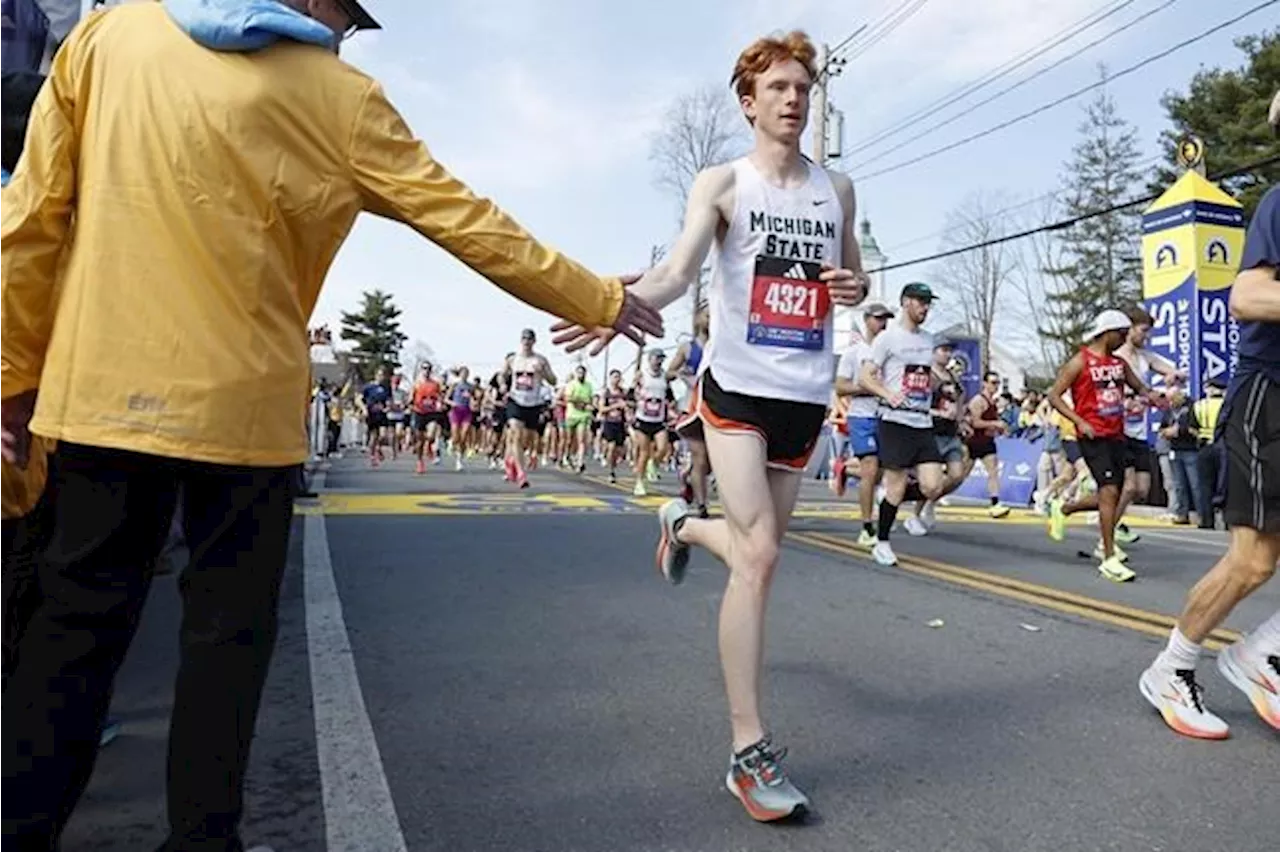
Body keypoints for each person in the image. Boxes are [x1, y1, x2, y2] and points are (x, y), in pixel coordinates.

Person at [0, 2, 662, 849]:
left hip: (99, 394)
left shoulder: (110, 37)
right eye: (345, 16)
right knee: (225, 646)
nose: (344, 35)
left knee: (72, 633)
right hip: (245, 417)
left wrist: (12, 374)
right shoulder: (341, 97)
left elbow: (28, 218)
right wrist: (597, 296)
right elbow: (467, 220)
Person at [554, 30, 868, 821]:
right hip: (735, 389)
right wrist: (610, 302)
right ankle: (746, 751)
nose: (794, 99)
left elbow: (855, 274)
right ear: (749, 102)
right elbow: (677, 270)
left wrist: (855, 286)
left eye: (804, 87)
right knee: (759, 559)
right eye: (779, 89)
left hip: (804, 395)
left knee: (759, 553)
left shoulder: (838, 189)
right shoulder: (723, 182)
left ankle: (684, 526)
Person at [1137, 88, 1280, 741]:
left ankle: (1260, 654)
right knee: (1253, 560)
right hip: (1266, 398)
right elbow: (1247, 295)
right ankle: (1173, 668)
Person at [1045, 310, 1153, 583]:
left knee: (1113, 496)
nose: (1124, 339)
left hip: (1117, 435)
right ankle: (1108, 557)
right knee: (1109, 492)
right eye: (1121, 334)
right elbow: (1054, 395)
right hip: (1093, 437)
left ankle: (1065, 508)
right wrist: (1080, 422)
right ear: (1107, 333)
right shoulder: (1080, 362)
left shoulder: (1118, 364)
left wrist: (1159, 398)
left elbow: (1140, 388)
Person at [857, 283, 948, 565]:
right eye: (921, 302)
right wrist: (888, 393)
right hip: (894, 420)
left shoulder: (929, 339)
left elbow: (923, 377)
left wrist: (937, 384)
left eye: (928, 303)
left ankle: (888, 500)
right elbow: (866, 376)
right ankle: (882, 542)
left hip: (921, 421)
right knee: (896, 486)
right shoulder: (887, 338)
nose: (925, 308)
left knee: (933, 486)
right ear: (906, 302)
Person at [833, 302, 894, 546]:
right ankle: (867, 526)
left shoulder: (891, 353)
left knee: (880, 472)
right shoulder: (854, 352)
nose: (883, 324)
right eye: (879, 319)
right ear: (867, 320)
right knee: (870, 467)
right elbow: (840, 386)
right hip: (862, 416)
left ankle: (844, 469)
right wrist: (866, 387)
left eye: (887, 319)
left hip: (886, 416)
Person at [668, 304, 712, 515]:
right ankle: (702, 505)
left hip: (716, 408)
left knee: (711, 463)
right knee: (700, 457)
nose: (711, 318)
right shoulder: (688, 348)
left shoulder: (722, 346)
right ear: (698, 319)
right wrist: (681, 374)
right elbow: (669, 371)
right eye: (707, 314)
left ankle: (687, 475)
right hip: (691, 407)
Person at [503, 330, 557, 488]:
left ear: (534, 341)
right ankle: (521, 474)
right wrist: (501, 384)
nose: (526, 341)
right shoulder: (513, 359)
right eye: (524, 338)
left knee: (525, 441)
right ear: (521, 341)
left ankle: (512, 460)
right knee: (517, 435)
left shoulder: (540, 360)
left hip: (533, 403)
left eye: (529, 339)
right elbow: (502, 374)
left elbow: (553, 380)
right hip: (515, 401)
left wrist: (544, 372)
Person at [1158, 386, 1200, 525]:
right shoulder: (1169, 410)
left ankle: (1202, 514)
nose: (1170, 402)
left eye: (1172, 399)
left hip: (1190, 449)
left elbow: (1194, 427)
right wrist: (1166, 432)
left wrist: (1179, 431)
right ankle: (1182, 514)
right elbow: (1162, 426)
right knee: (1178, 484)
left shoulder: (1192, 406)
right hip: (1175, 449)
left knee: (1195, 484)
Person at [1193, 379, 1226, 529]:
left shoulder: (1199, 406)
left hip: (1205, 446)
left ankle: (1207, 520)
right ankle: (1227, 521)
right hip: (1225, 446)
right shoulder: (1227, 404)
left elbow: (1191, 427)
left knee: (1205, 485)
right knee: (1226, 483)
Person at [563, 364, 595, 473]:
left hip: (583, 416)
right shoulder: (571, 384)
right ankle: (567, 455)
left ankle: (580, 462)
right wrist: (579, 402)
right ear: (576, 374)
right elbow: (567, 398)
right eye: (579, 373)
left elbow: (591, 399)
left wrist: (590, 406)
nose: (581, 375)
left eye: (583, 373)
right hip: (571, 415)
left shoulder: (589, 385)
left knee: (581, 440)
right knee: (569, 440)